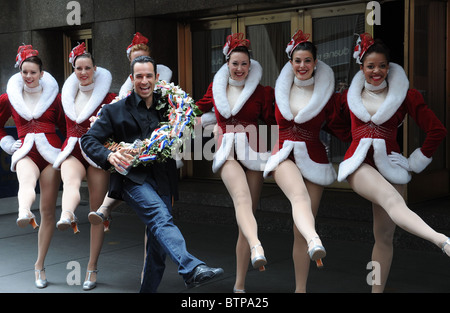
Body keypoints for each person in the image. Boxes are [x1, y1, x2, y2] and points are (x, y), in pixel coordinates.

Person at [80, 55, 223, 293]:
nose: (144, 81)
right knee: (160, 216)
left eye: (149, 76)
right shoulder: (115, 111)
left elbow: (186, 127)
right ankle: (191, 268)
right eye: (139, 76)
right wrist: (108, 156)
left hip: (164, 179)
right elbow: (88, 140)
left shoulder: (170, 107)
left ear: (157, 78)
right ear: (131, 79)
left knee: (157, 249)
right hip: (132, 179)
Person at [338, 33, 449, 292]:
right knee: (393, 202)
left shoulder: (405, 95)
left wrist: (413, 161)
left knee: (385, 238)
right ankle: (442, 240)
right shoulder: (347, 96)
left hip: (391, 165)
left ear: (389, 66)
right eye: (370, 66)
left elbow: (437, 130)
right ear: (361, 67)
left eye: (382, 65)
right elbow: (333, 122)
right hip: (359, 165)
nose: (377, 71)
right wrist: (353, 141)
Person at [263, 30, 351, 292]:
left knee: (300, 228)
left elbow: (342, 128)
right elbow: (255, 114)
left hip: (314, 157)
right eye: (297, 60)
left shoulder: (327, 96)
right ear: (291, 62)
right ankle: (316, 240)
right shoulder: (276, 92)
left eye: (307, 61)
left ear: (316, 63)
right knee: (299, 199)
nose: (302, 66)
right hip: (282, 155)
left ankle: (300, 289)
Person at [196, 33, 275, 293]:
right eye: (235, 63)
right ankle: (257, 245)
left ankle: (239, 285)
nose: (239, 69)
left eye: (244, 64)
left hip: (254, 153)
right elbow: (196, 110)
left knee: (247, 216)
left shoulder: (263, 92)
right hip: (226, 152)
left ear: (250, 66)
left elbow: (275, 122)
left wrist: (278, 151)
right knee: (241, 201)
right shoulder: (215, 88)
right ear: (227, 64)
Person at [0, 45, 66, 288]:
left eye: (32, 72)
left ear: (41, 73)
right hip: (25, 150)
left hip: (51, 153)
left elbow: (68, 124)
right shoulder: (10, 97)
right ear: (20, 72)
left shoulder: (55, 98)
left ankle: (39, 265)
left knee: (48, 212)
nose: (28, 77)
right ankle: (24, 212)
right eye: (24, 72)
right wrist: (7, 143)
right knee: (26, 181)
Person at [52, 43, 116, 290]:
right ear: (73, 69)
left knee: (97, 212)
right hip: (71, 148)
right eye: (79, 68)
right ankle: (67, 214)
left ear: (95, 69)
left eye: (88, 68)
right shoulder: (64, 96)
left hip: (96, 153)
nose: (83, 72)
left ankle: (92, 267)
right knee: (70, 181)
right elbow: (57, 121)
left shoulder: (109, 98)